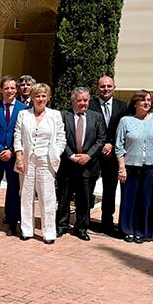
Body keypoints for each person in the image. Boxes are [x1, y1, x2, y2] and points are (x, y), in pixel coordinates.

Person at [14, 83, 65, 244]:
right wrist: (19, 157)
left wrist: (55, 154)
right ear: (32, 98)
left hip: (46, 160)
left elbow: (61, 138)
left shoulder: (55, 115)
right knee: (26, 195)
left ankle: (49, 232)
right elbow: (17, 136)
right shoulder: (23, 114)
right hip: (27, 160)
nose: (40, 99)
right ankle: (27, 229)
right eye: (37, 96)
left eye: (43, 96)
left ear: (48, 98)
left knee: (47, 197)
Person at [56, 87, 106, 241]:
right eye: (80, 100)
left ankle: (82, 227)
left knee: (84, 198)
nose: (83, 103)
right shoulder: (63, 116)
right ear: (73, 101)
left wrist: (88, 156)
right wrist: (71, 156)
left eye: (86, 100)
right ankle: (61, 225)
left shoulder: (96, 117)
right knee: (64, 197)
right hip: (67, 165)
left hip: (88, 166)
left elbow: (101, 139)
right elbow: (59, 137)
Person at [116, 90, 153, 244]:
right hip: (130, 166)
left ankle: (143, 231)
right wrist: (121, 168)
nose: (146, 103)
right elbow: (119, 145)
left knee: (147, 200)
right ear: (135, 103)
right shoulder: (126, 121)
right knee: (129, 200)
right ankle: (128, 230)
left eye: (149, 100)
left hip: (152, 167)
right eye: (142, 100)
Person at [0, 76, 27, 236]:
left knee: (13, 190)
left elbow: (23, 133)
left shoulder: (23, 109)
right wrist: (1, 149)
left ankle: (12, 222)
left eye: (12, 88)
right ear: (1, 89)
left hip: (15, 156)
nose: (10, 91)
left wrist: (11, 150)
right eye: (6, 88)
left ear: (16, 90)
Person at [88, 75, 127, 235]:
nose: (106, 89)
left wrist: (111, 142)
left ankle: (107, 223)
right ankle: (84, 221)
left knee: (110, 190)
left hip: (112, 156)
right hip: (94, 154)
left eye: (109, 86)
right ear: (97, 88)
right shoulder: (89, 104)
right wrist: (101, 143)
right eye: (102, 86)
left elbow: (123, 129)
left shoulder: (123, 106)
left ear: (114, 87)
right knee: (87, 188)